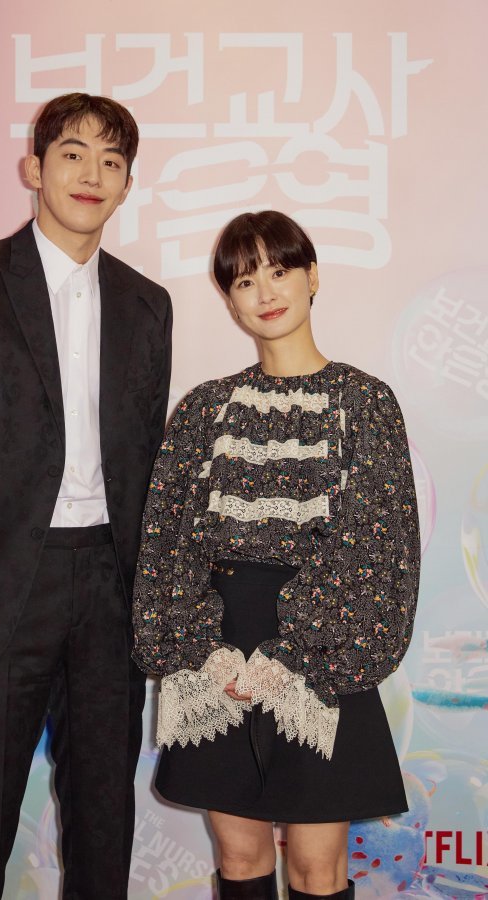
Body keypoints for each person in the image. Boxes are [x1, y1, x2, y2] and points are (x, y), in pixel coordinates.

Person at [0, 92, 172, 899]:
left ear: (127, 186)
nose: (91, 174)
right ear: (34, 168)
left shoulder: (148, 305)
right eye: (73, 153)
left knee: (103, 830)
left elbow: (144, 456)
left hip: (111, 591)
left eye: (112, 162)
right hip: (1, 586)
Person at [132, 211, 419, 900]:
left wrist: (295, 654)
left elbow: (380, 546)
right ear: (229, 301)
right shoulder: (203, 410)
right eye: (244, 279)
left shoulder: (365, 402)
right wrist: (201, 650)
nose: (265, 291)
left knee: (318, 866)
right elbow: (167, 542)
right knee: (239, 858)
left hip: (325, 643)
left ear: (312, 277)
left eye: (280, 270)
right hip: (216, 644)